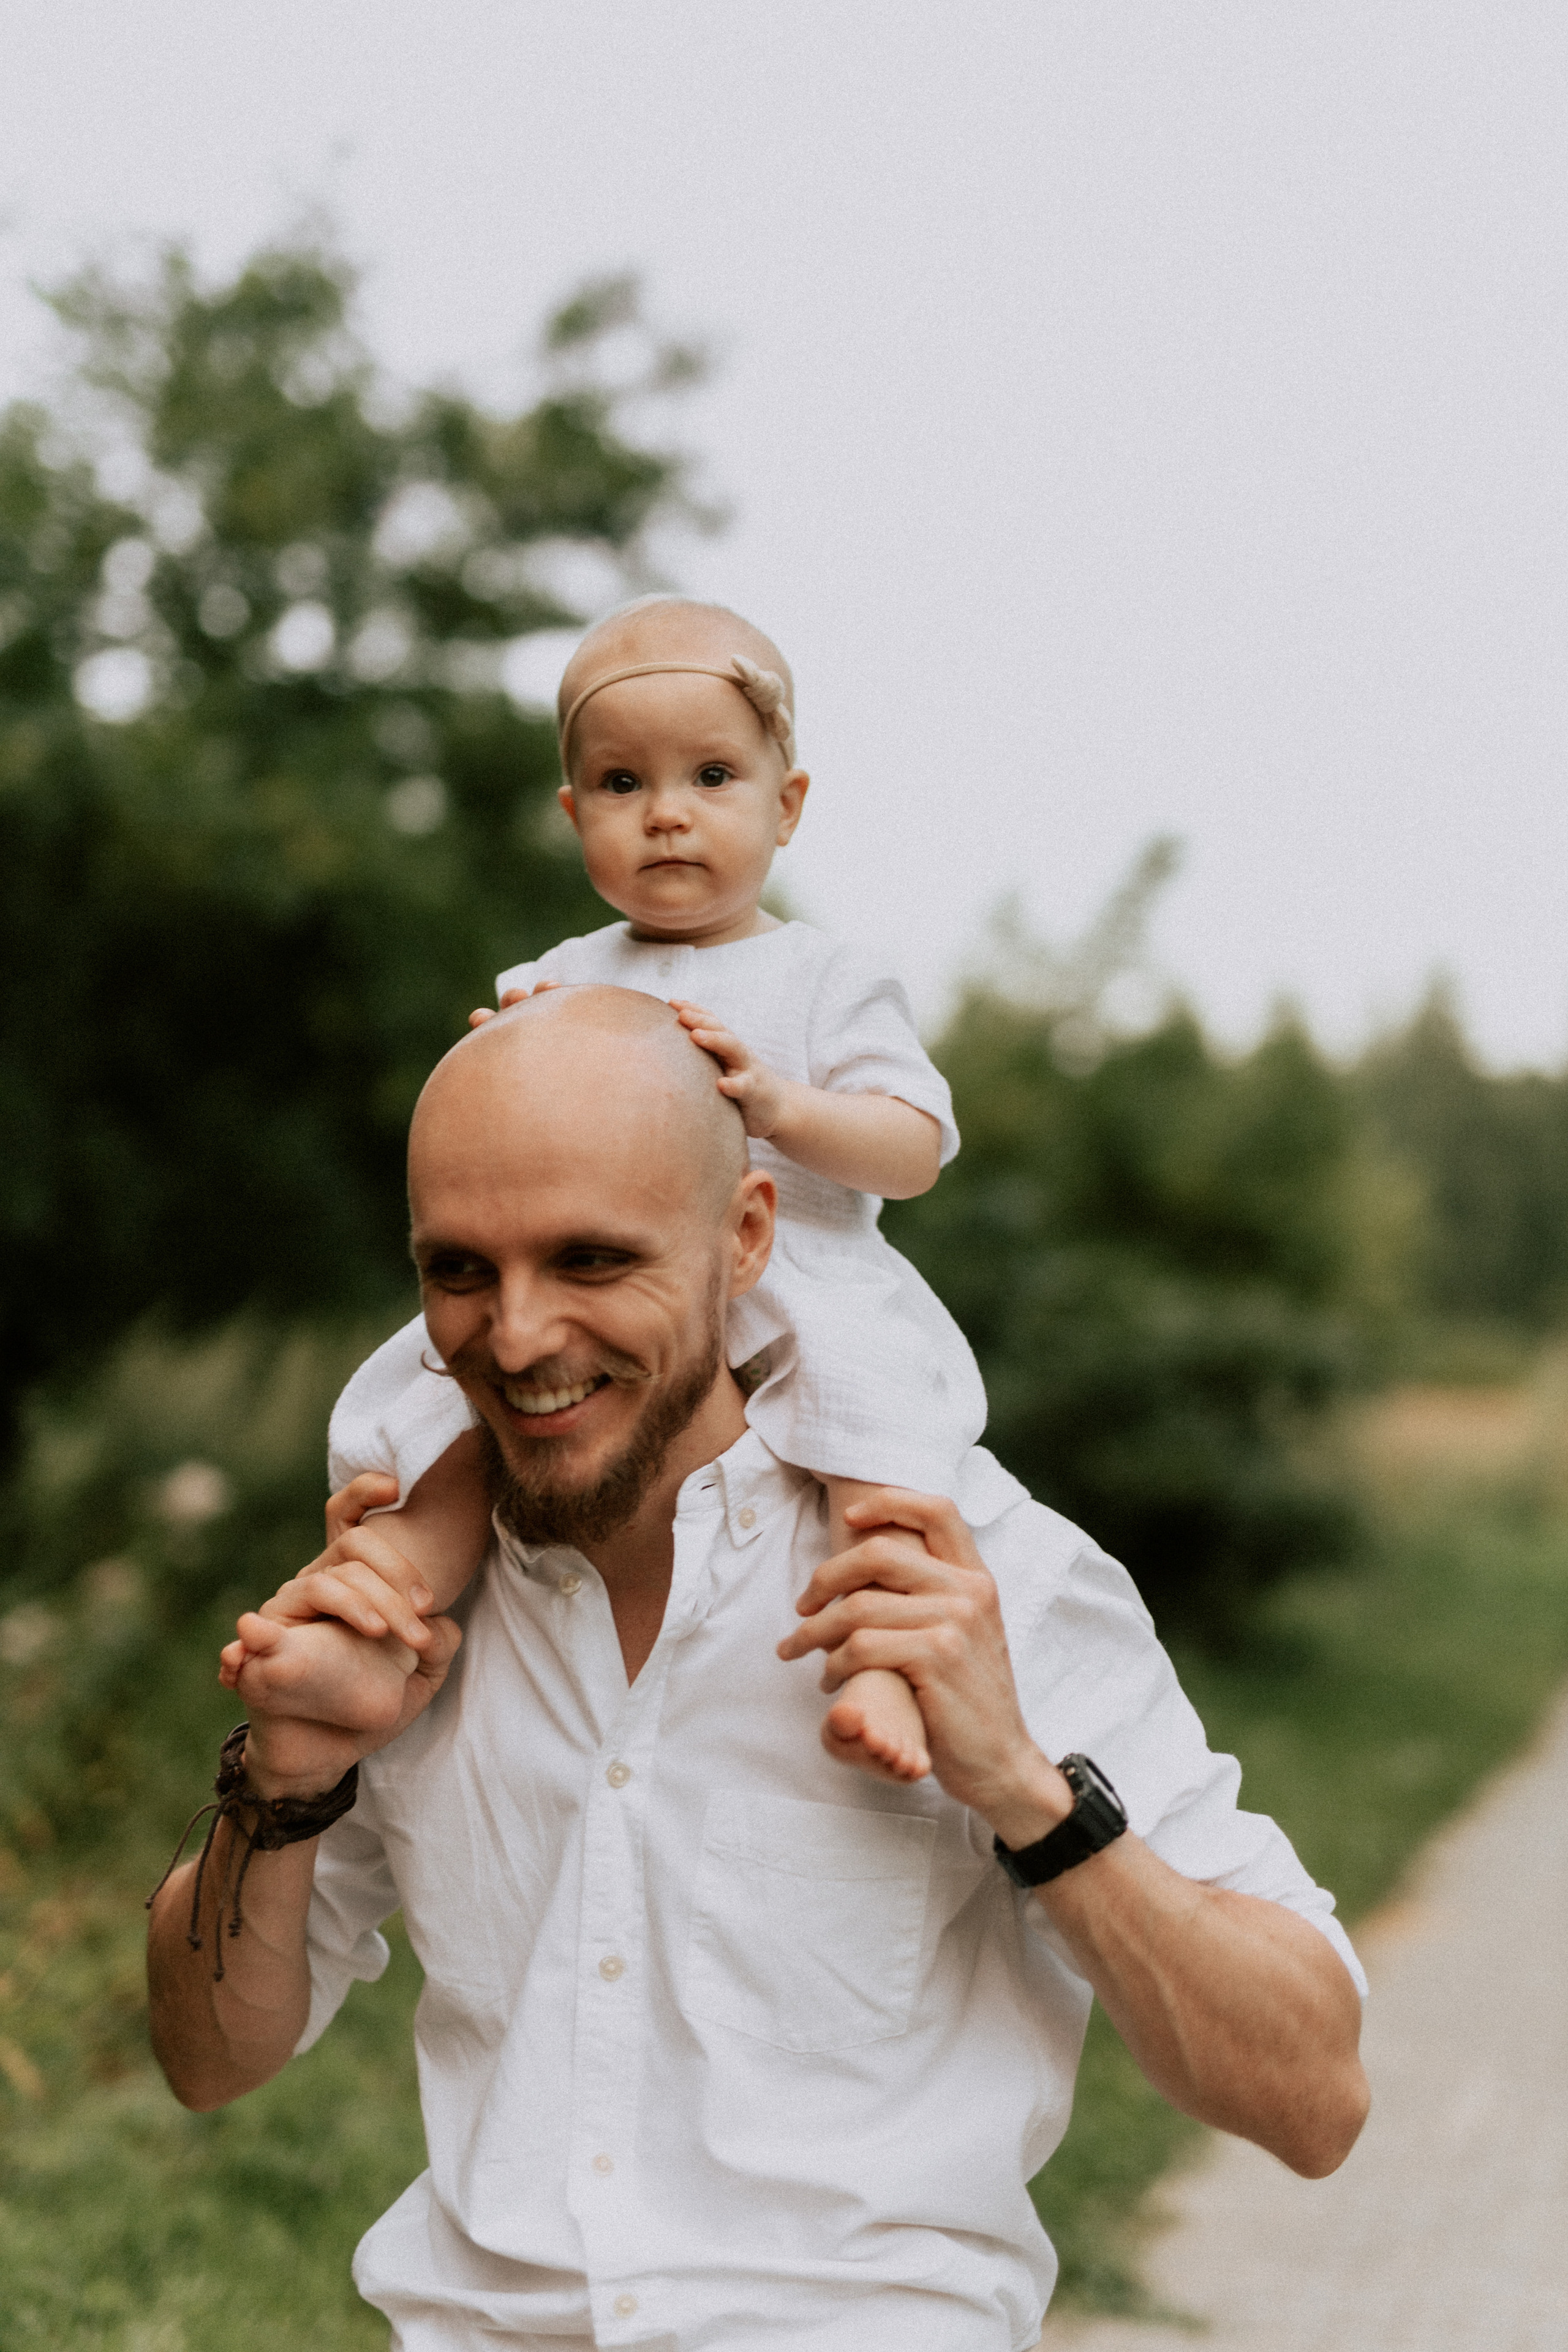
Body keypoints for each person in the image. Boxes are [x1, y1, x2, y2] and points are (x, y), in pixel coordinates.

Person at [150, 988, 1369, 2352]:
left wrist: (1024, 1790)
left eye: (593, 1261)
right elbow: (209, 2060)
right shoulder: (397, 1596)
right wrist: (289, 1776)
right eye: (459, 1272)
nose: (518, 1335)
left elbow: (1310, 2099)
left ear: (744, 1238)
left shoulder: (982, 1580)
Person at [229, 594, 989, 1784]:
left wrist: (782, 1109)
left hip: (806, 1275)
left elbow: (914, 1144)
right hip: (599, 1288)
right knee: (458, 1396)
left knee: (880, 1429)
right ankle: (391, 1592)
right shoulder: (558, 978)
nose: (669, 815)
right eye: (623, 786)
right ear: (574, 814)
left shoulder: (822, 977)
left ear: (785, 807)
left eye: (712, 777)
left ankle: (882, 1656)